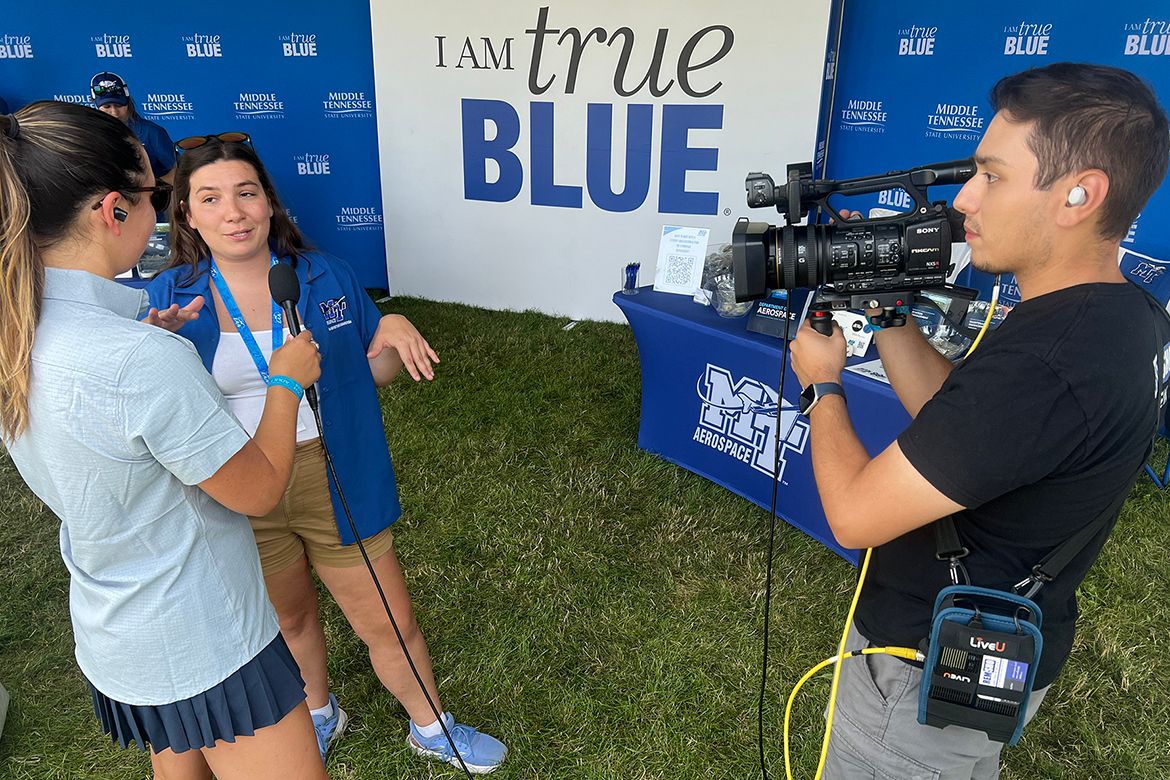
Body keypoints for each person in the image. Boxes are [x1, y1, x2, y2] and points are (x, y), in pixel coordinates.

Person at [788, 62, 1170, 779]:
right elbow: (964, 421)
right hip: (1001, 648)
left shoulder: (1049, 364)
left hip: (919, 680)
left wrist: (822, 388)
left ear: (1080, 194)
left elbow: (853, 516)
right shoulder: (1122, 316)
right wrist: (891, 314)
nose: (965, 198)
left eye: (992, 176)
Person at [146, 134, 508, 773]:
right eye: (211, 198)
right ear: (188, 214)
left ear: (268, 203)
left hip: (330, 473)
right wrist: (156, 350)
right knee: (289, 618)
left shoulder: (324, 274)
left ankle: (432, 726)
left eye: (246, 193)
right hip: (238, 481)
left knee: (388, 619)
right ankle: (319, 710)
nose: (233, 212)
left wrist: (391, 333)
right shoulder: (170, 296)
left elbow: (374, 372)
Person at [0, 102, 327, 779]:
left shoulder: (21, 334)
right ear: (112, 211)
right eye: (159, 196)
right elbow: (261, 489)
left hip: (119, 637)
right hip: (207, 638)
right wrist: (285, 383)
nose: (162, 212)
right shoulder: (138, 362)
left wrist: (152, 347)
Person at [90, 72, 175, 222]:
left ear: (128, 102)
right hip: (111, 215)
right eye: (107, 106)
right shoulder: (93, 136)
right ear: (96, 106)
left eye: (118, 105)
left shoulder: (152, 133)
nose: (114, 112)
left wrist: (146, 187)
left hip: (152, 213)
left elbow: (176, 173)